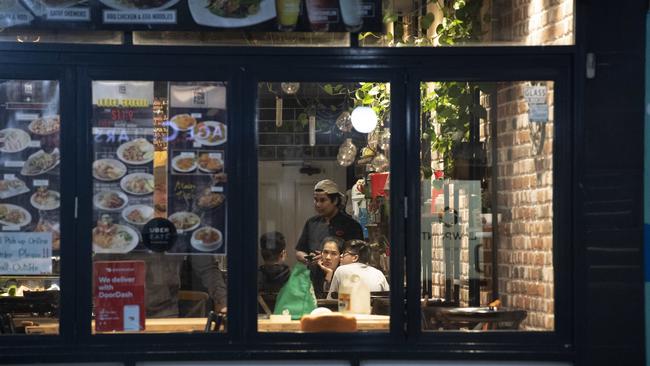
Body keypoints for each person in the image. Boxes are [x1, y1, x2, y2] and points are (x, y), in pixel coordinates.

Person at [295, 179, 364, 265]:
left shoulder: (351, 225)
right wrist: (308, 259)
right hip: (315, 275)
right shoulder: (311, 223)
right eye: (316, 200)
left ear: (335, 201)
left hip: (340, 275)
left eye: (323, 200)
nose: (318, 204)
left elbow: (357, 256)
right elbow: (299, 251)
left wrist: (327, 258)